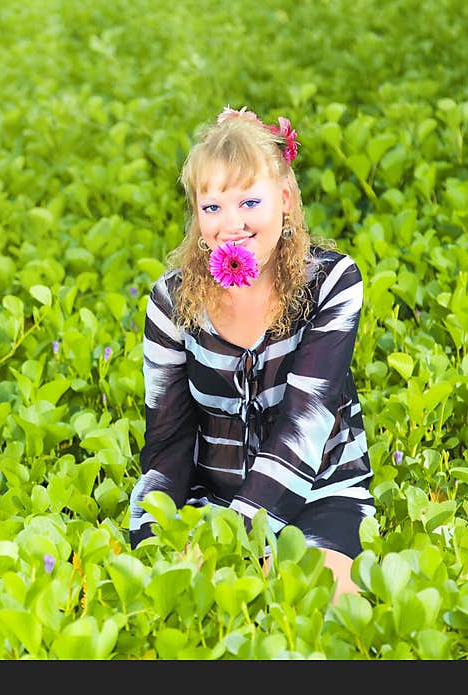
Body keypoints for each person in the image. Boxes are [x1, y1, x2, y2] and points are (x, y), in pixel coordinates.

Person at [128, 105, 375, 601]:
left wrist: (232, 543)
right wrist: (153, 537)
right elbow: (168, 441)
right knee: (184, 607)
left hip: (319, 491)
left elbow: (304, 430)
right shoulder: (171, 300)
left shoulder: (331, 282)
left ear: (284, 198)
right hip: (211, 501)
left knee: (320, 603)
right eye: (212, 207)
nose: (230, 224)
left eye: (249, 202)